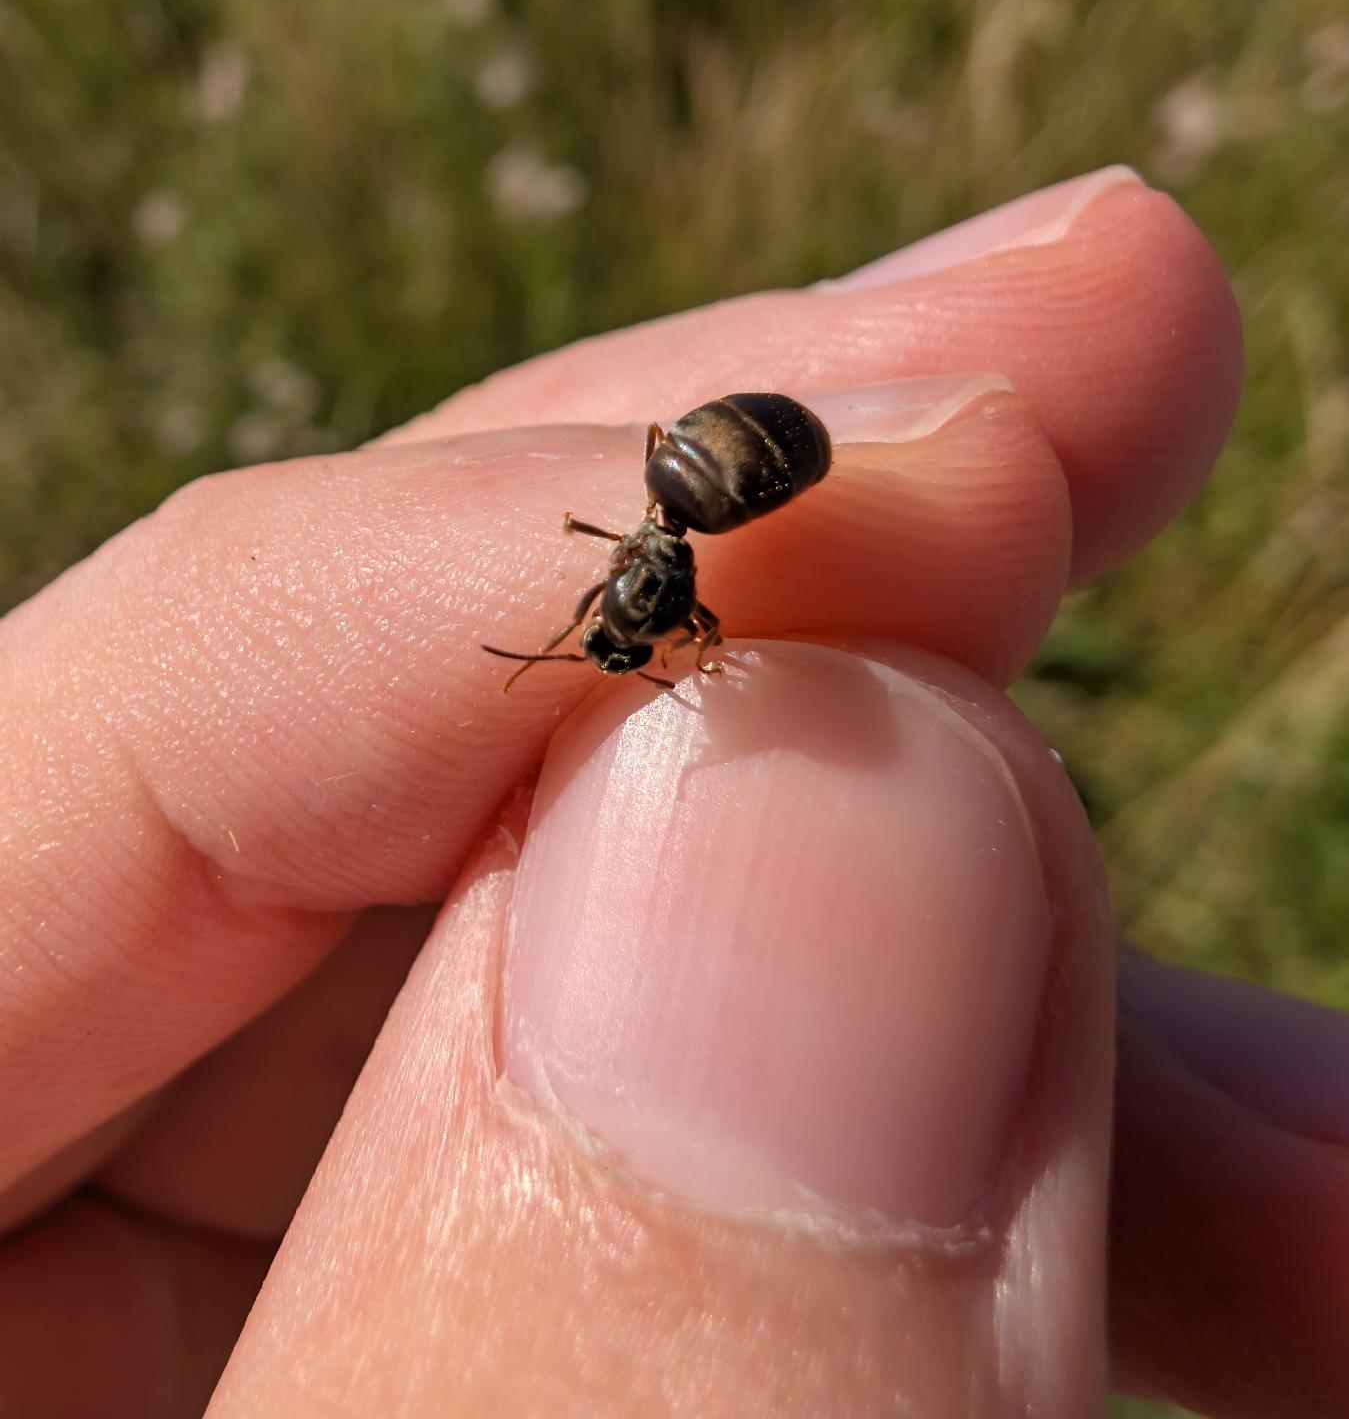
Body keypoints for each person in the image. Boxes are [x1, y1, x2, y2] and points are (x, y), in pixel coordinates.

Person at [0, 168, 1342, 1418]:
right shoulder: (648, 559)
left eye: (618, 638)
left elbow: (656, 606)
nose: (615, 638)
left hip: (736, 474)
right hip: (719, 480)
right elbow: (646, 605)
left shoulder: (656, 561)